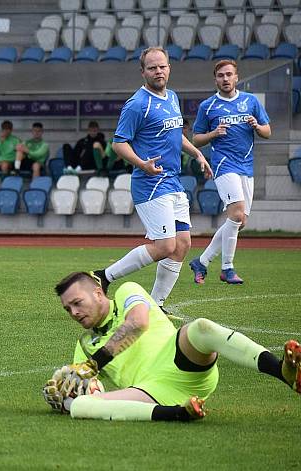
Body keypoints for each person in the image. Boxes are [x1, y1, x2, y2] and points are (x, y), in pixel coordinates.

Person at [42, 271, 300, 421]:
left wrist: (94, 364)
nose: (73, 312)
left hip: (179, 361)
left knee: (200, 328)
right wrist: (66, 396)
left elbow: (138, 322)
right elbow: (92, 387)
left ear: (98, 293)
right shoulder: (85, 345)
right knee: (81, 407)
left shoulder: (126, 292)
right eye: (68, 309)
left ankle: (282, 371)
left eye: (77, 302)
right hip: (149, 392)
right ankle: (179, 413)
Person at [93, 47, 212, 310]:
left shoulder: (172, 97)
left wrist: (196, 153)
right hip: (150, 183)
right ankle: (104, 276)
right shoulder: (137, 104)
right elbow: (118, 144)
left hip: (173, 181)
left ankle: (156, 305)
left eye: (162, 66)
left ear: (169, 68)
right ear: (143, 71)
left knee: (182, 245)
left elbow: (175, 134)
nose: (158, 71)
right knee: (165, 246)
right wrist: (142, 164)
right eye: (152, 68)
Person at [189, 60, 271, 285]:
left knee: (240, 220)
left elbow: (267, 131)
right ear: (215, 79)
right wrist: (214, 133)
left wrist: (257, 126)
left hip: (246, 166)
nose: (225, 79)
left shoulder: (250, 101)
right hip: (224, 165)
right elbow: (196, 138)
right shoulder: (208, 106)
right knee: (236, 215)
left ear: (236, 77)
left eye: (229, 75)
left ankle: (202, 262)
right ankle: (227, 268)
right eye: (220, 76)